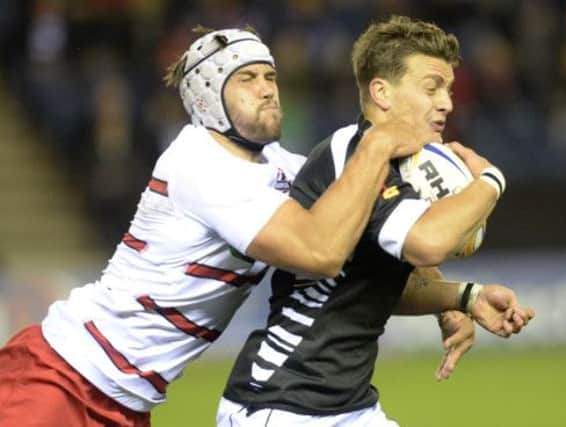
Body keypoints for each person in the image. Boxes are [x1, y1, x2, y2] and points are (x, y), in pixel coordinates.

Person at [0, 26, 431, 427]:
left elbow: (361, 256)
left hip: (124, 402)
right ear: (208, 95)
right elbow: (321, 253)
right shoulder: (199, 163)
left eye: (270, 76)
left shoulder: (282, 168)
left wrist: (458, 299)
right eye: (247, 79)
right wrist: (376, 147)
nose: (267, 89)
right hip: (59, 378)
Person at [218, 16, 535, 427]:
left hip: (347, 407)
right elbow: (428, 241)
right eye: (431, 87)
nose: (447, 103)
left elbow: (374, 283)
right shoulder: (352, 155)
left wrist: (465, 298)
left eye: (449, 90)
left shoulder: (397, 166)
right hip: (282, 403)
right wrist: (491, 179)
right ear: (381, 92)